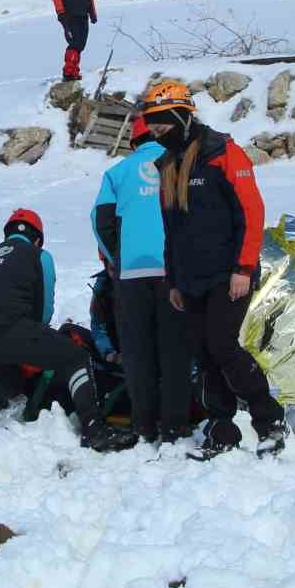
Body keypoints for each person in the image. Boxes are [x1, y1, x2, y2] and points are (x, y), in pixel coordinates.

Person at [140, 81, 288, 458]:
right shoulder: (168, 165)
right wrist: (173, 280)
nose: (154, 128)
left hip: (228, 272)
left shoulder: (224, 152)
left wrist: (244, 266)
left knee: (223, 346)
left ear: (181, 115)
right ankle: (222, 431)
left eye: (160, 120)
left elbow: (251, 212)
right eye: (150, 120)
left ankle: (269, 420)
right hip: (190, 277)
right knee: (203, 354)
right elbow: (172, 230)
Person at [0, 209, 138, 453]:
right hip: (8, 326)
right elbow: (43, 310)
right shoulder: (37, 255)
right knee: (75, 357)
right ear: (37, 238)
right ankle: (94, 430)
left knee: (6, 391)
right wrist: (38, 341)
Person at [91, 114, 194, 444]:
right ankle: (176, 424)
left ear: (132, 142)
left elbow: (100, 220)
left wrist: (115, 258)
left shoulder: (116, 173)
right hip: (173, 270)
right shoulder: (178, 164)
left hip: (132, 273)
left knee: (138, 351)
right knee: (174, 348)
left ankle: (144, 424)